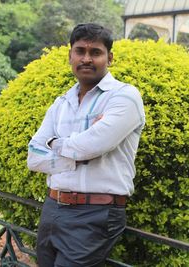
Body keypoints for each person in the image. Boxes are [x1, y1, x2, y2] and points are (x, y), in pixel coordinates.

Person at [27, 23, 145, 267]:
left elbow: (92, 146)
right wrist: (77, 151)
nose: (87, 59)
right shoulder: (61, 103)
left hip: (96, 214)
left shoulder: (124, 97)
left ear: (109, 58)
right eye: (80, 51)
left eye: (96, 53)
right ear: (70, 56)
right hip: (52, 208)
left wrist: (53, 143)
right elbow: (34, 157)